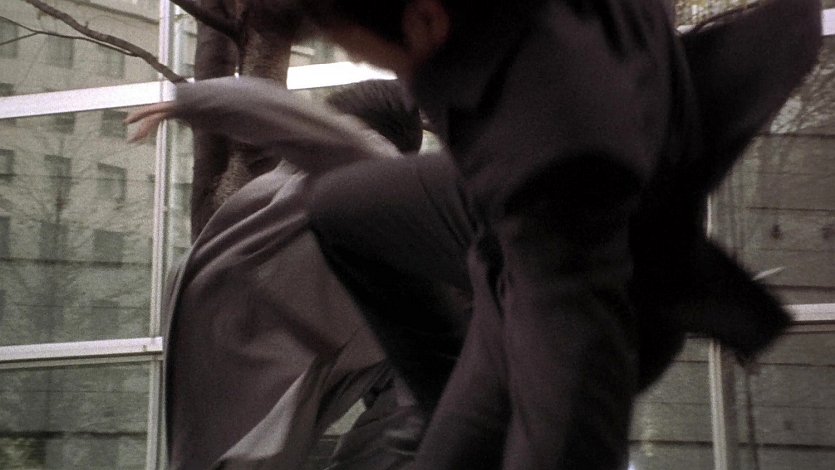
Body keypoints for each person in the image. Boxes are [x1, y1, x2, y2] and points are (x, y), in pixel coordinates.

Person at [292, 0, 823, 468]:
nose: (383, 72)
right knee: (339, 209)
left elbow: (573, 404)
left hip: (592, 281)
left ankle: (468, 405)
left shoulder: (547, 162)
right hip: (527, 202)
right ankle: (441, 392)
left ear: (427, 18)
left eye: (372, 54)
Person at [127, 77, 471, 469]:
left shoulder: (358, 169)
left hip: (247, 320)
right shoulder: (369, 169)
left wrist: (199, 100)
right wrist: (199, 100)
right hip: (265, 324)